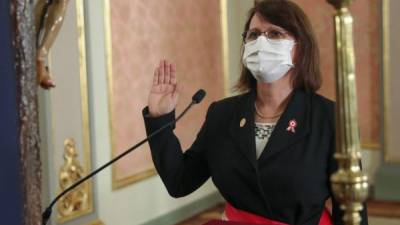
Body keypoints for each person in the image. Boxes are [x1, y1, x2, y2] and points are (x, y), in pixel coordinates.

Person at [142, 0, 368, 224]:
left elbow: (351, 209)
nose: (261, 42)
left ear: (301, 48)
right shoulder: (222, 114)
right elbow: (179, 182)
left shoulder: (330, 118)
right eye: (253, 34)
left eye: (274, 34)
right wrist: (160, 118)